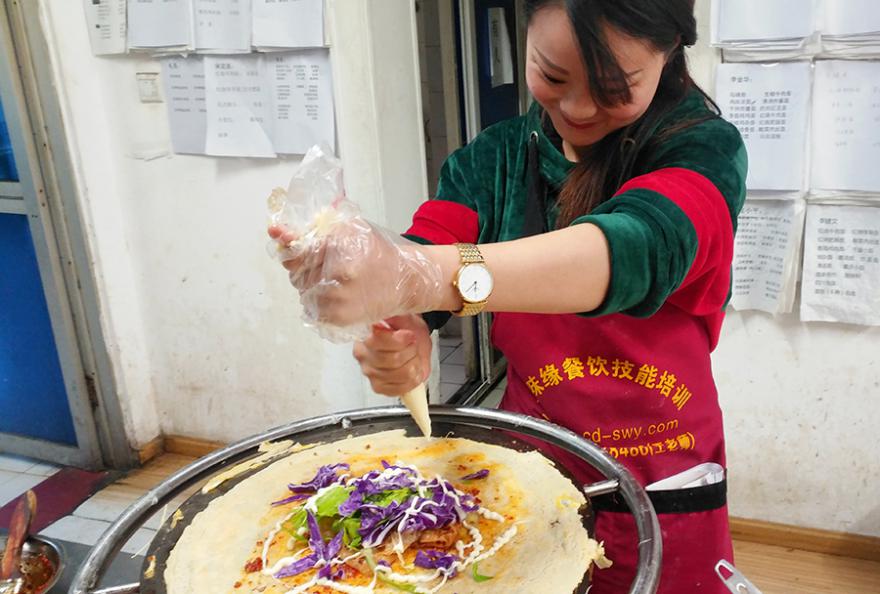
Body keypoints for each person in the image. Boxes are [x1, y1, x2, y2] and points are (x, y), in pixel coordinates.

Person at [270, 0, 747, 591]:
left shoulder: (703, 149)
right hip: (529, 457)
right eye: (552, 75)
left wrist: (419, 272)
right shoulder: (493, 158)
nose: (577, 108)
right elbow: (433, 245)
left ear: (670, 52)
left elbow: (638, 246)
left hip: (659, 467)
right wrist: (404, 324)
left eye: (613, 87)